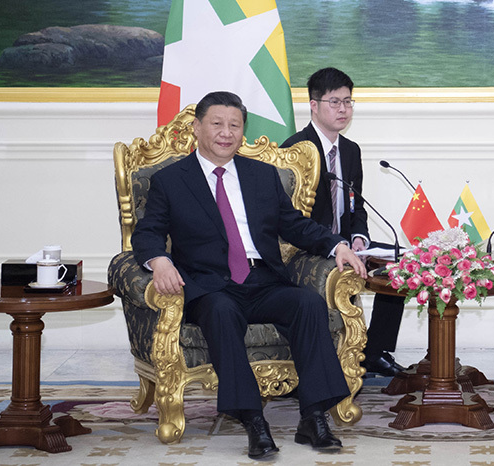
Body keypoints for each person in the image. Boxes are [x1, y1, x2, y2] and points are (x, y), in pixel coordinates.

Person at [132, 91, 367, 459]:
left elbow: (294, 225)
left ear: (243, 131)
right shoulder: (171, 180)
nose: (226, 133)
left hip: (263, 281)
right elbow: (147, 232)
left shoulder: (262, 175)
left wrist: (335, 245)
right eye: (217, 124)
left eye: (235, 125)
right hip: (210, 287)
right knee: (222, 312)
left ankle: (313, 417)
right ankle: (253, 420)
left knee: (307, 303)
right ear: (197, 128)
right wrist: (159, 260)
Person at [281, 67, 406, 377]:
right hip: (310, 246)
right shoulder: (294, 151)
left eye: (348, 101)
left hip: (347, 240)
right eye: (334, 102)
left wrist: (359, 236)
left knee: (401, 263)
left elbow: (356, 204)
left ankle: (375, 352)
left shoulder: (350, 151)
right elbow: (290, 219)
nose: (343, 109)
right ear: (314, 105)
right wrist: (335, 244)